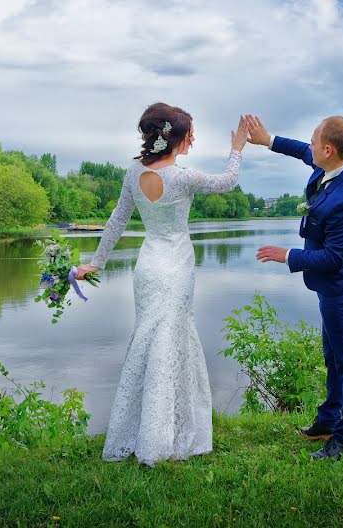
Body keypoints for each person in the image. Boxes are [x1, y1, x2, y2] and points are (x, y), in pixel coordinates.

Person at [74, 102, 248, 466]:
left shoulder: (133, 172)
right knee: (172, 339)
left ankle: (145, 428)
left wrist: (95, 263)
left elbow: (117, 220)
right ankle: (163, 434)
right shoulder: (183, 178)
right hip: (178, 266)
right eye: (191, 134)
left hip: (149, 266)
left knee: (151, 339)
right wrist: (237, 148)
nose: (194, 139)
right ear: (176, 138)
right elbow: (228, 182)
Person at [243, 114, 343, 460]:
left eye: (315, 141)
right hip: (329, 287)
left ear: (329, 149)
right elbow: (301, 151)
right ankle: (328, 419)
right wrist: (267, 140)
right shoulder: (331, 166)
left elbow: (334, 258)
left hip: (342, 287)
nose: (310, 144)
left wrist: (288, 255)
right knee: (332, 357)